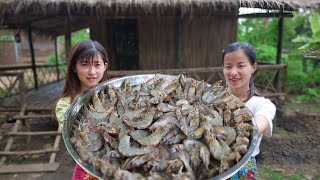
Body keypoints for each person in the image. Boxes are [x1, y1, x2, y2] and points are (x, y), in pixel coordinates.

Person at [54, 40, 109, 180]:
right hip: (88, 168)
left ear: (105, 67)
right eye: (84, 65)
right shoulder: (65, 104)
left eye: (97, 65)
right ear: (74, 67)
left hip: (118, 165)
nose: (92, 72)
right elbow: (76, 138)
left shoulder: (112, 94)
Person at [222, 42, 276, 180]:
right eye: (228, 67)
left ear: (253, 67)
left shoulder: (262, 105)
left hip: (244, 168)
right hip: (213, 164)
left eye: (240, 66)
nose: (233, 72)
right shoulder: (212, 98)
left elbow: (257, 127)